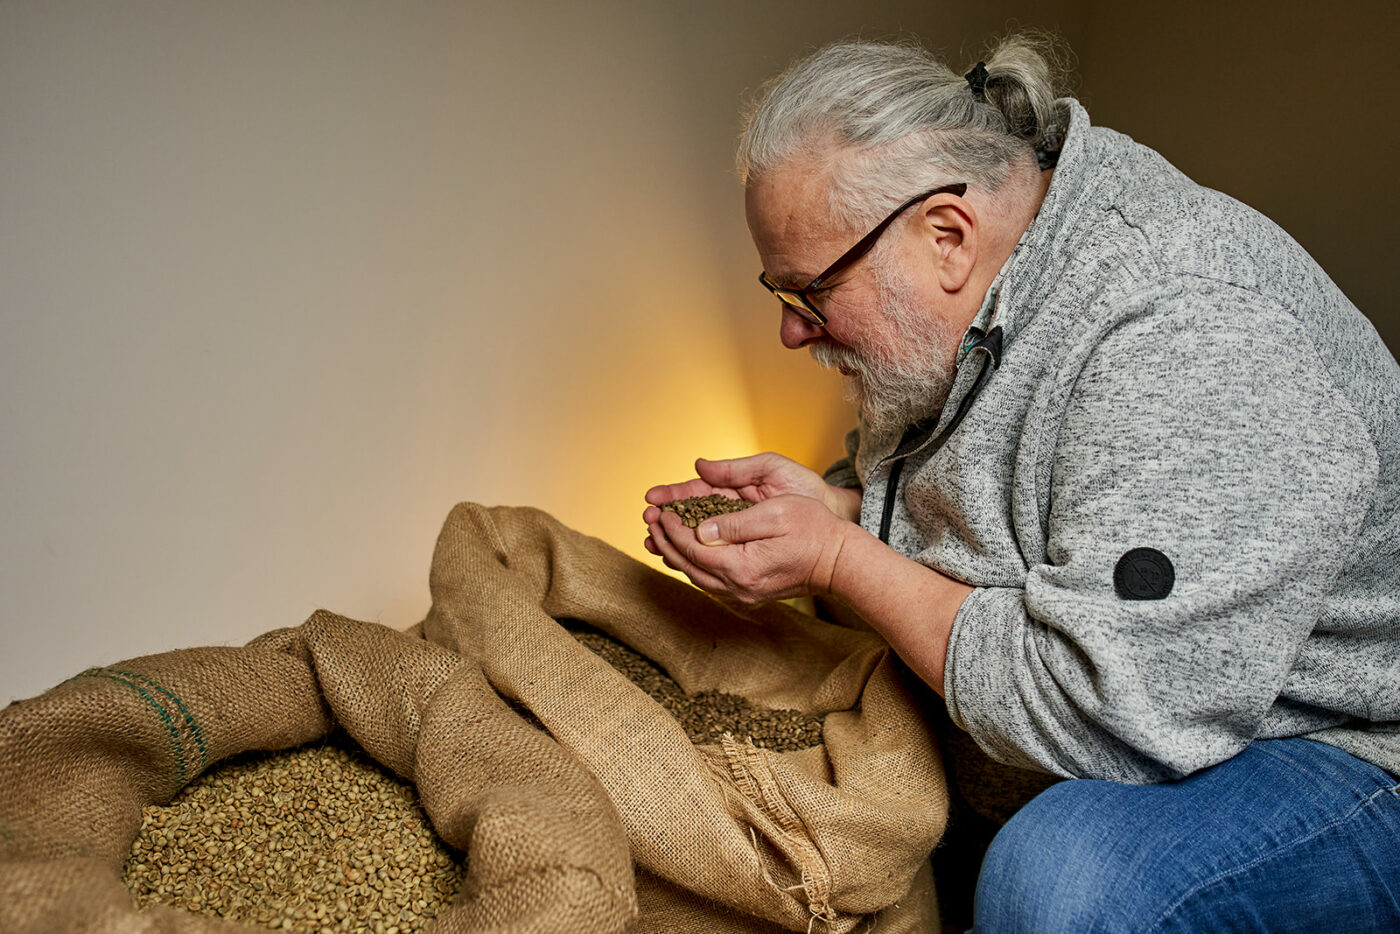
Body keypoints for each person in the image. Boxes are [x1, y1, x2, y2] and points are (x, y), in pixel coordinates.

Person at [642, 35, 1400, 933]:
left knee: (1062, 882)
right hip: (1173, 697)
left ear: (947, 235)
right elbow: (990, 511)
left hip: (1339, 742)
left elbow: (1114, 711)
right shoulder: (950, 304)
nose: (791, 333)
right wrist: (841, 507)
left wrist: (842, 562)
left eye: (810, 293)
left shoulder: (1191, 334)